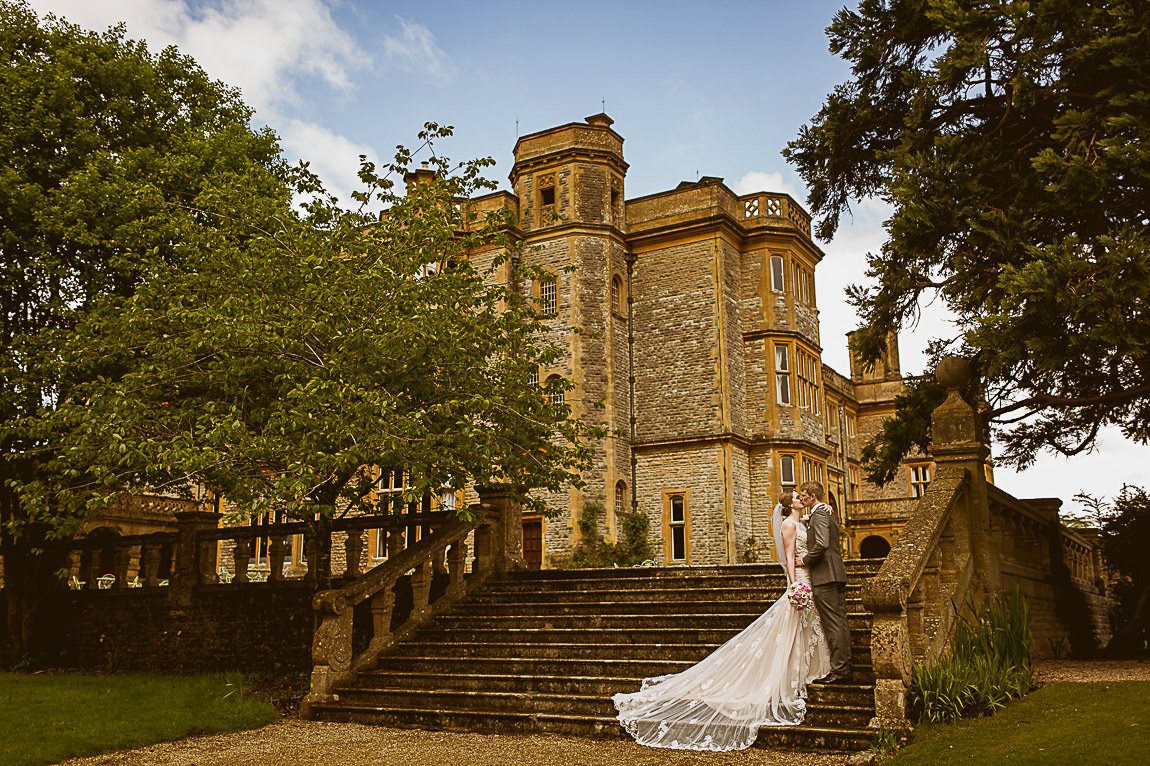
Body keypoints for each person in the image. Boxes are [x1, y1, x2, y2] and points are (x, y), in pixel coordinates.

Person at [612, 491, 830, 751]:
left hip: (810, 577)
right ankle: (789, 675)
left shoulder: (803, 520)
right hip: (801, 580)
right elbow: (789, 555)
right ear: (787, 506)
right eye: (795, 496)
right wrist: (794, 585)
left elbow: (815, 520)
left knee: (805, 627)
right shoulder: (788, 524)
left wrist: (823, 506)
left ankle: (805, 670)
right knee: (794, 626)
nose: (799, 497)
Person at [794, 480, 852, 684]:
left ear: (812, 496)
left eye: (803, 494)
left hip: (825, 576)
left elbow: (821, 543)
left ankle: (839, 671)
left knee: (833, 624)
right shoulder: (826, 512)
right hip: (835, 574)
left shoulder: (819, 514)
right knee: (840, 623)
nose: (801, 497)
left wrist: (805, 559)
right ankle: (843, 666)